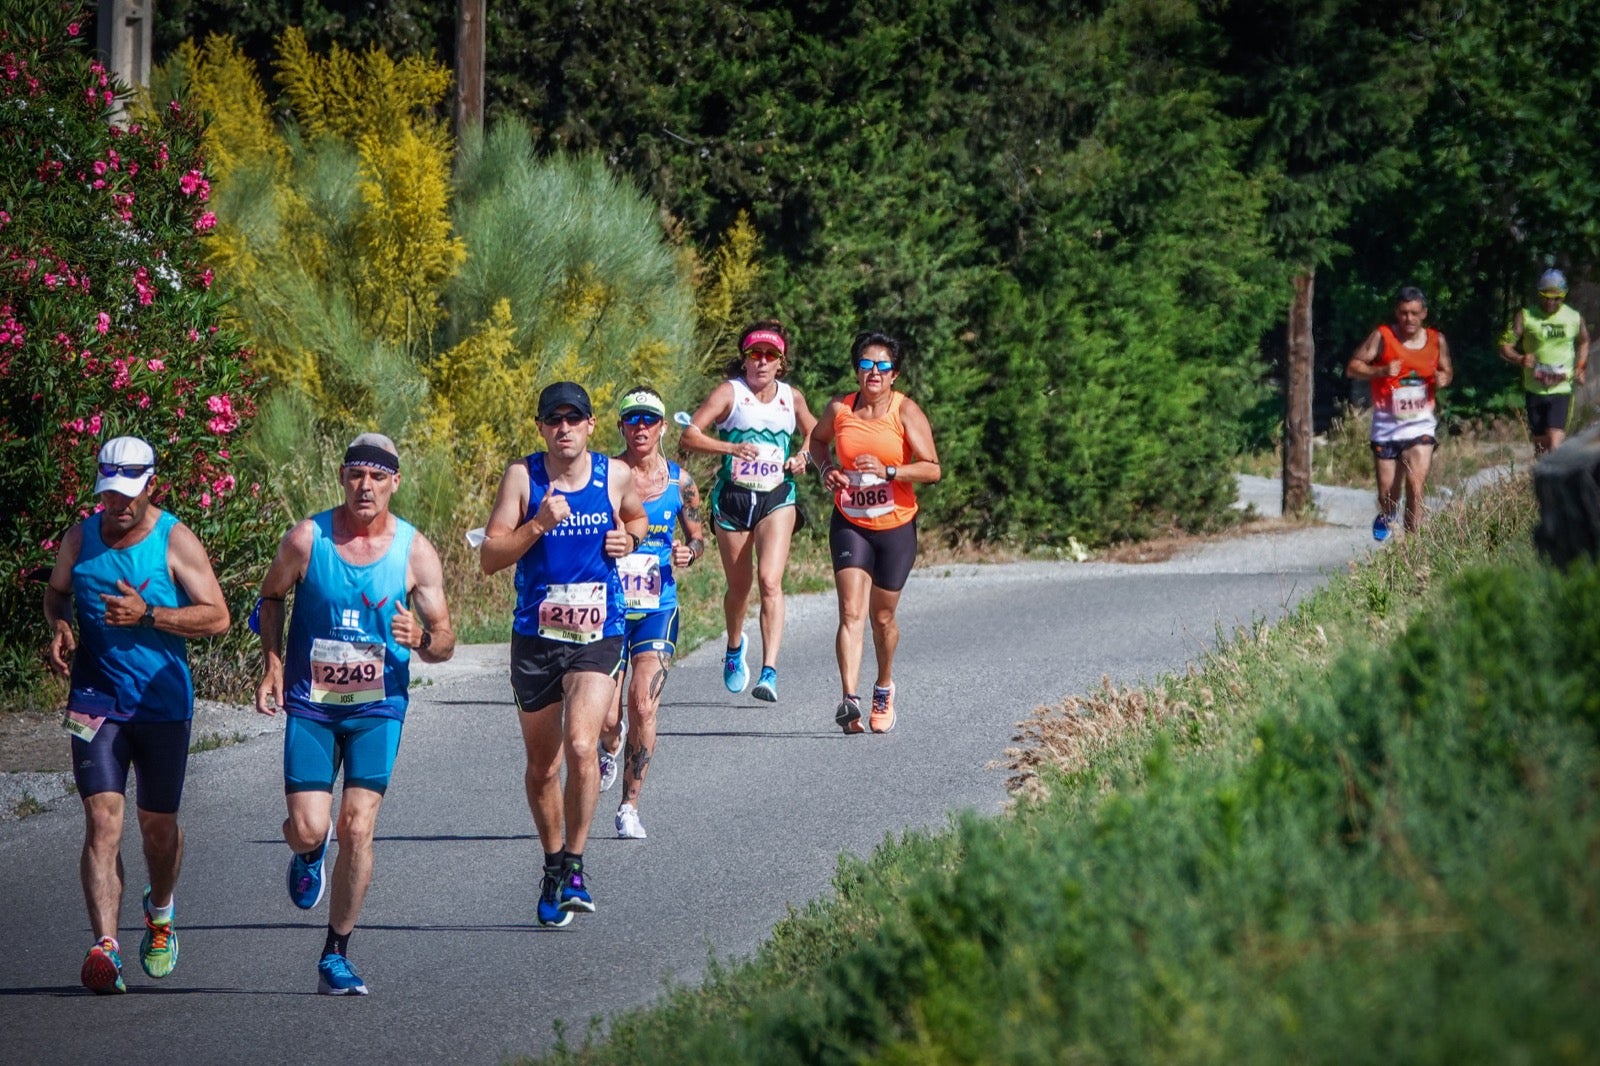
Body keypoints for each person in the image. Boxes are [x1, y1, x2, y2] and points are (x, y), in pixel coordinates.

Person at [253, 433, 456, 996]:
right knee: (310, 827)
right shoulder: (307, 538)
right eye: (356, 475)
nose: (365, 486)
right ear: (343, 477)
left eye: (377, 476)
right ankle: (307, 851)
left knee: (358, 827)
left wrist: (423, 639)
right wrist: (272, 663)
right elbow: (269, 598)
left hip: (378, 707)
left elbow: (446, 641)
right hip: (313, 707)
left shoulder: (414, 551)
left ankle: (335, 953)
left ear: (395, 481)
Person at [43, 436, 231, 994]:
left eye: (128, 493)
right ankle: (106, 947)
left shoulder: (175, 541)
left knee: (158, 830)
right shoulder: (80, 537)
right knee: (102, 822)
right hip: (95, 702)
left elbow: (217, 617)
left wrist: (149, 614)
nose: (118, 505)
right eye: (108, 494)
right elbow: (56, 594)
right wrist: (59, 625)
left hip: (161, 706)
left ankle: (161, 913)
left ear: (152, 484)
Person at [480, 382, 647, 924]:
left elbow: (637, 517)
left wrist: (632, 540)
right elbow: (489, 556)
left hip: (598, 632)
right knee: (541, 767)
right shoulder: (522, 477)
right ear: (541, 428)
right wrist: (537, 525)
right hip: (536, 638)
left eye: (574, 419)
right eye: (555, 420)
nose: (565, 428)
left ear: (592, 425)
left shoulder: (614, 475)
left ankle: (575, 863)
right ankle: (553, 864)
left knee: (581, 744)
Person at [808, 332, 941, 735]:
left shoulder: (905, 412)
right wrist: (827, 468)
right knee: (850, 611)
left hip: (895, 525)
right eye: (866, 365)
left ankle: (883, 685)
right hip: (851, 521)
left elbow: (932, 469)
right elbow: (817, 440)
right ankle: (849, 699)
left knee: (882, 618)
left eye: (883, 367)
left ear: (894, 374)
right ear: (857, 371)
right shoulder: (840, 408)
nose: (874, 373)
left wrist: (888, 471)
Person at [680, 320, 818, 703]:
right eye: (754, 354)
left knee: (770, 581)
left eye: (769, 355)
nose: (761, 361)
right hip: (734, 499)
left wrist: (804, 455)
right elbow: (689, 435)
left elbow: (818, 432)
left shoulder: (792, 398)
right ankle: (735, 645)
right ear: (744, 360)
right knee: (740, 589)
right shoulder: (730, 393)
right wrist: (729, 449)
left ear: (781, 362)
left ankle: (769, 670)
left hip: (777, 496)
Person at [593, 387, 707, 839]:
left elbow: (699, 537)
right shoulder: (604, 477)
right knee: (606, 716)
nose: (640, 428)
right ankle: (608, 746)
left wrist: (689, 553)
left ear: (661, 428)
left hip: (657, 607)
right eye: (632, 420)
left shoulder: (681, 483)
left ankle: (628, 806)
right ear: (621, 426)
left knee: (642, 703)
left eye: (649, 421)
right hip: (607, 607)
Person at [1345, 286, 1454, 541]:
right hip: (1386, 426)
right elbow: (1352, 367)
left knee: (1415, 486)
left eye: (1415, 313)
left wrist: (1443, 378)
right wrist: (1380, 371)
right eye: (1404, 313)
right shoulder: (1383, 336)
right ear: (1397, 312)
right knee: (1387, 496)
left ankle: (1413, 545)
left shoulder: (1437, 340)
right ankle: (1388, 513)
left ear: (1424, 313)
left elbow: (1447, 371)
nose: (1409, 319)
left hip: (1420, 425)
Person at [1499, 268, 1590, 455]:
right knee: (1541, 448)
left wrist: (1580, 366)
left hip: (1562, 389)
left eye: (1557, 298)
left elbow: (1584, 341)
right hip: (1535, 388)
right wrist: (1520, 358)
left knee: (1555, 444)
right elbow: (1504, 345)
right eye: (1546, 297)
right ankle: (1541, 480)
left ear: (1564, 296)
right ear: (1539, 294)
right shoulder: (1525, 316)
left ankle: (1557, 483)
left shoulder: (1573, 317)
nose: (1551, 302)